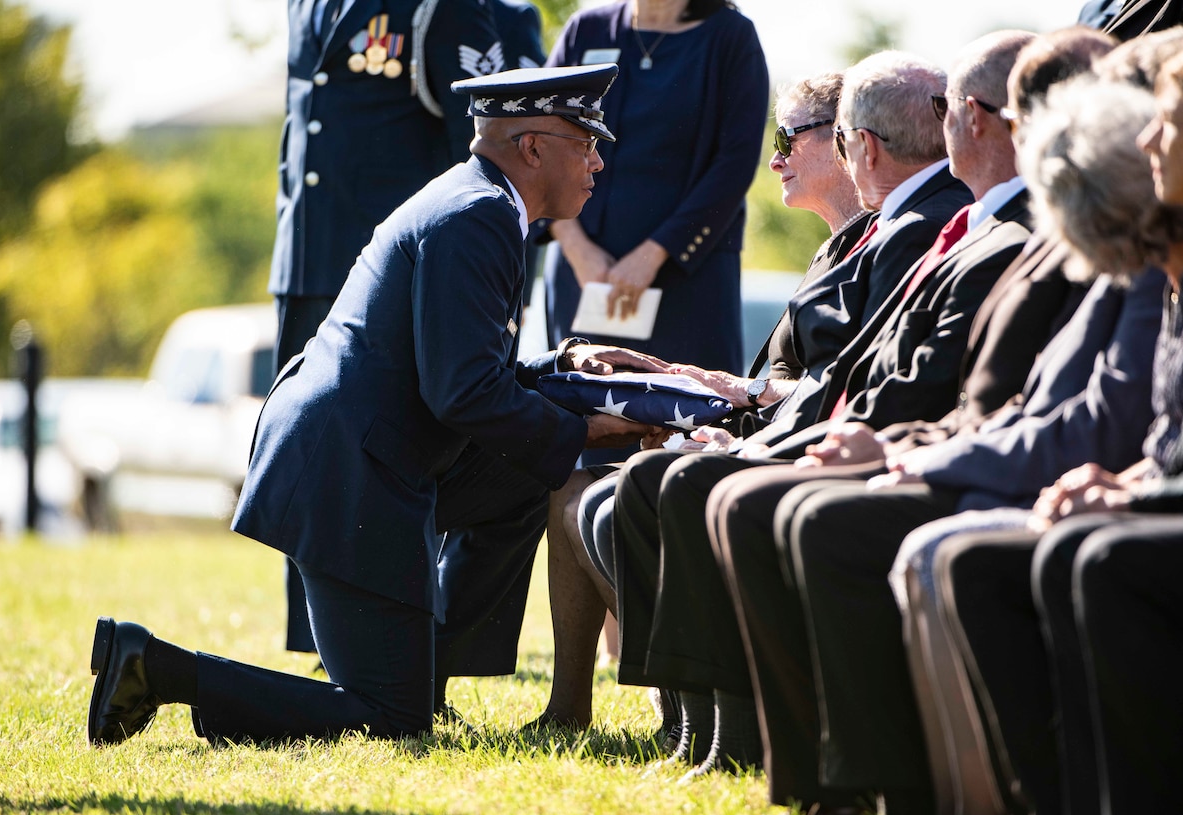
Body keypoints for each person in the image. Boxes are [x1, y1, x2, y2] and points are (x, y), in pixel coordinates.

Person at [87, 64, 661, 746]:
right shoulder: (478, 215)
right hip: (346, 475)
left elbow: (460, 368)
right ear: (533, 148)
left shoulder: (483, 203)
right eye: (584, 139)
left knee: (523, 470)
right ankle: (154, 667)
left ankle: (432, 671)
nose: (598, 158)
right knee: (388, 721)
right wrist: (587, 430)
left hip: (370, 455)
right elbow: (464, 393)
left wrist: (565, 366)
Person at [613, 38, 1027, 804]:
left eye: (805, 139)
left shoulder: (937, 225)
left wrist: (779, 440)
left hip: (920, 450)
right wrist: (758, 419)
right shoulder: (934, 223)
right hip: (871, 432)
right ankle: (697, 728)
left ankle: (750, 746)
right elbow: (848, 370)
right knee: (658, 479)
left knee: (714, 488)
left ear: (858, 147)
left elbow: (891, 383)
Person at [531, 71, 871, 730]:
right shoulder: (839, 246)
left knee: (622, 493)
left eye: (788, 138)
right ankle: (572, 707)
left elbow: (846, 388)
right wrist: (696, 393)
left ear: (844, 141)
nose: (774, 158)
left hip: (805, 452)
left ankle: (693, 718)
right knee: (572, 484)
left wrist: (736, 405)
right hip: (762, 433)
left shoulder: (886, 245)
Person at [925, 70, 1183, 815]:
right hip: (1162, 498)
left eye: (1168, 124)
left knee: (1090, 555)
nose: (1148, 140)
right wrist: (1129, 482)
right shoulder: (1176, 270)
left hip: (1172, 517)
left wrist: (1133, 496)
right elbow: (1172, 443)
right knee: (1003, 556)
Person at [269, 0, 545, 659]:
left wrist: (501, 281)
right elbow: (303, 120)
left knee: (417, 456)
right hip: (308, 256)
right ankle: (320, 644)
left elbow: (477, 149)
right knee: (315, 459)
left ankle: (421, 648)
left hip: (398, 269)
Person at [543, 0, 770, 465]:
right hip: (585, 274)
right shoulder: (587, 29)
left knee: (685, 445)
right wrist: (574, 243)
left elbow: (735, 162)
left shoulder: (730, 37)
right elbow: (536, 129)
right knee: (576, 439)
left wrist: (654, 254)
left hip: (686, 283)